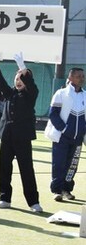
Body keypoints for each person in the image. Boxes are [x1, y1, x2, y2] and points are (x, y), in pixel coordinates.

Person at [0, 52, 42, 212]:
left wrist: (23, 67)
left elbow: (31, 86)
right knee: (4, 167)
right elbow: (2, 83)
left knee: (26, 169)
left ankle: (33, 202)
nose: (18, 81)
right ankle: (4, 198)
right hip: (7, 135)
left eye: (22, 78)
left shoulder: (30, 94)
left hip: (23, 137)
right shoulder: (10, 93)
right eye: (17, 78)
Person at [45, 67, 85, 201]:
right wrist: (64, 129)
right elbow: (53, 114)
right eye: (78, 76)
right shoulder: (61, 93)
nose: (82, 78)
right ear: (71, 78)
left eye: (82, 76)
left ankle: (67, 189)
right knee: (59, 163)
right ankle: (57, 190)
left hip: (78, 139)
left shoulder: (85, 95)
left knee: (72, 165)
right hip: (61, 137)